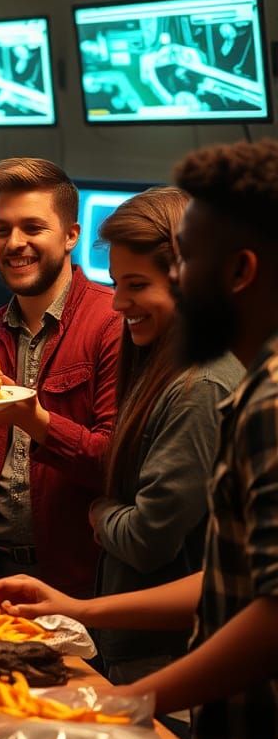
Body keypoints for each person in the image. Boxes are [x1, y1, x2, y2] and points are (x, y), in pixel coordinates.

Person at [0, 138, 278, 739]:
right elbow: (229, 582)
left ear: (237, 273)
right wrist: (79, 611)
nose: (118, 306)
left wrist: (117, 697)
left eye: (142, 284)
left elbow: (268, 612)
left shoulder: (243, 395)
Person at [0, 157, 120, 597]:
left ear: (71, 235)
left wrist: (35, 420)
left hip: (81, 586)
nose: (15, 243)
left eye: (33, 228)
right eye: (2, 229)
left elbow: (116, 463)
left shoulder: (112, 325)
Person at [92, 188, 243, 683]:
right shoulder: (166, 369)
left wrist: (100, 510)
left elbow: (144, 540)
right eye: (115, 283)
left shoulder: (199, 387)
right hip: (143, 650)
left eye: (136, 285)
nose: (117, 302)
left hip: (169, 660)